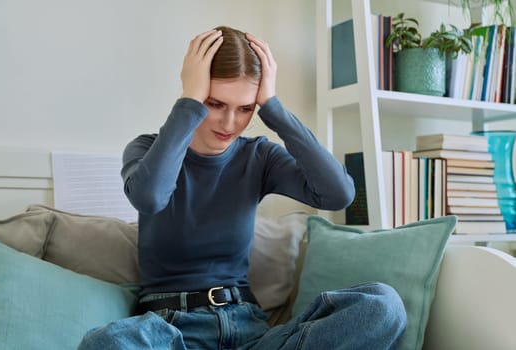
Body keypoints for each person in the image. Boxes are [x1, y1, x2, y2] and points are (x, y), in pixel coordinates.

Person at [77, 26, 406, 350]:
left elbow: (338, 194)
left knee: (382, 306)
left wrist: (273, 107)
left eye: (245, 108)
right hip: (170, 331)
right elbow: (150, 197)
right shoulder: (146, 150)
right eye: (214, 103)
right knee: (105, 343)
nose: (229, 123)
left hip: (249, 332)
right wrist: (189, 101)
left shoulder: (259, 156)